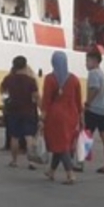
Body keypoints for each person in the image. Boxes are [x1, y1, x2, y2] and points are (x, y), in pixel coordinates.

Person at [41, 51, 84, 184]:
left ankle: (70, 174)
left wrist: (42, 118)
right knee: (61, 143)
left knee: (61, 146)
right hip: (71, 115)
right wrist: (81, 117)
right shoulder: (74, 79)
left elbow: (46, 100)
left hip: (55, 116)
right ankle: (51, 171)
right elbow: (78, 101)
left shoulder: (50, 79)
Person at [0, 56, 40, 169]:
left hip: (13, 111)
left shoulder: (8, 79)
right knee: (29, 136)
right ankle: (32, 162)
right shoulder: (31, 81)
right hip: (29, 111)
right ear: (25, 66)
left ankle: (14, 161)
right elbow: (36, 96)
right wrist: (41, 108)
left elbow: (2, 91)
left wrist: (6, 101)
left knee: (14, 137)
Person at [83, 50, 104, 174]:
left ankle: (80, 162)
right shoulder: (102, 74)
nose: (86, 63)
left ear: (95, 61)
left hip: (94, 110)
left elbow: (94, 89)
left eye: (88, 60)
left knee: (86, 135)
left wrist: (88, 103)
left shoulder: (93, 73)